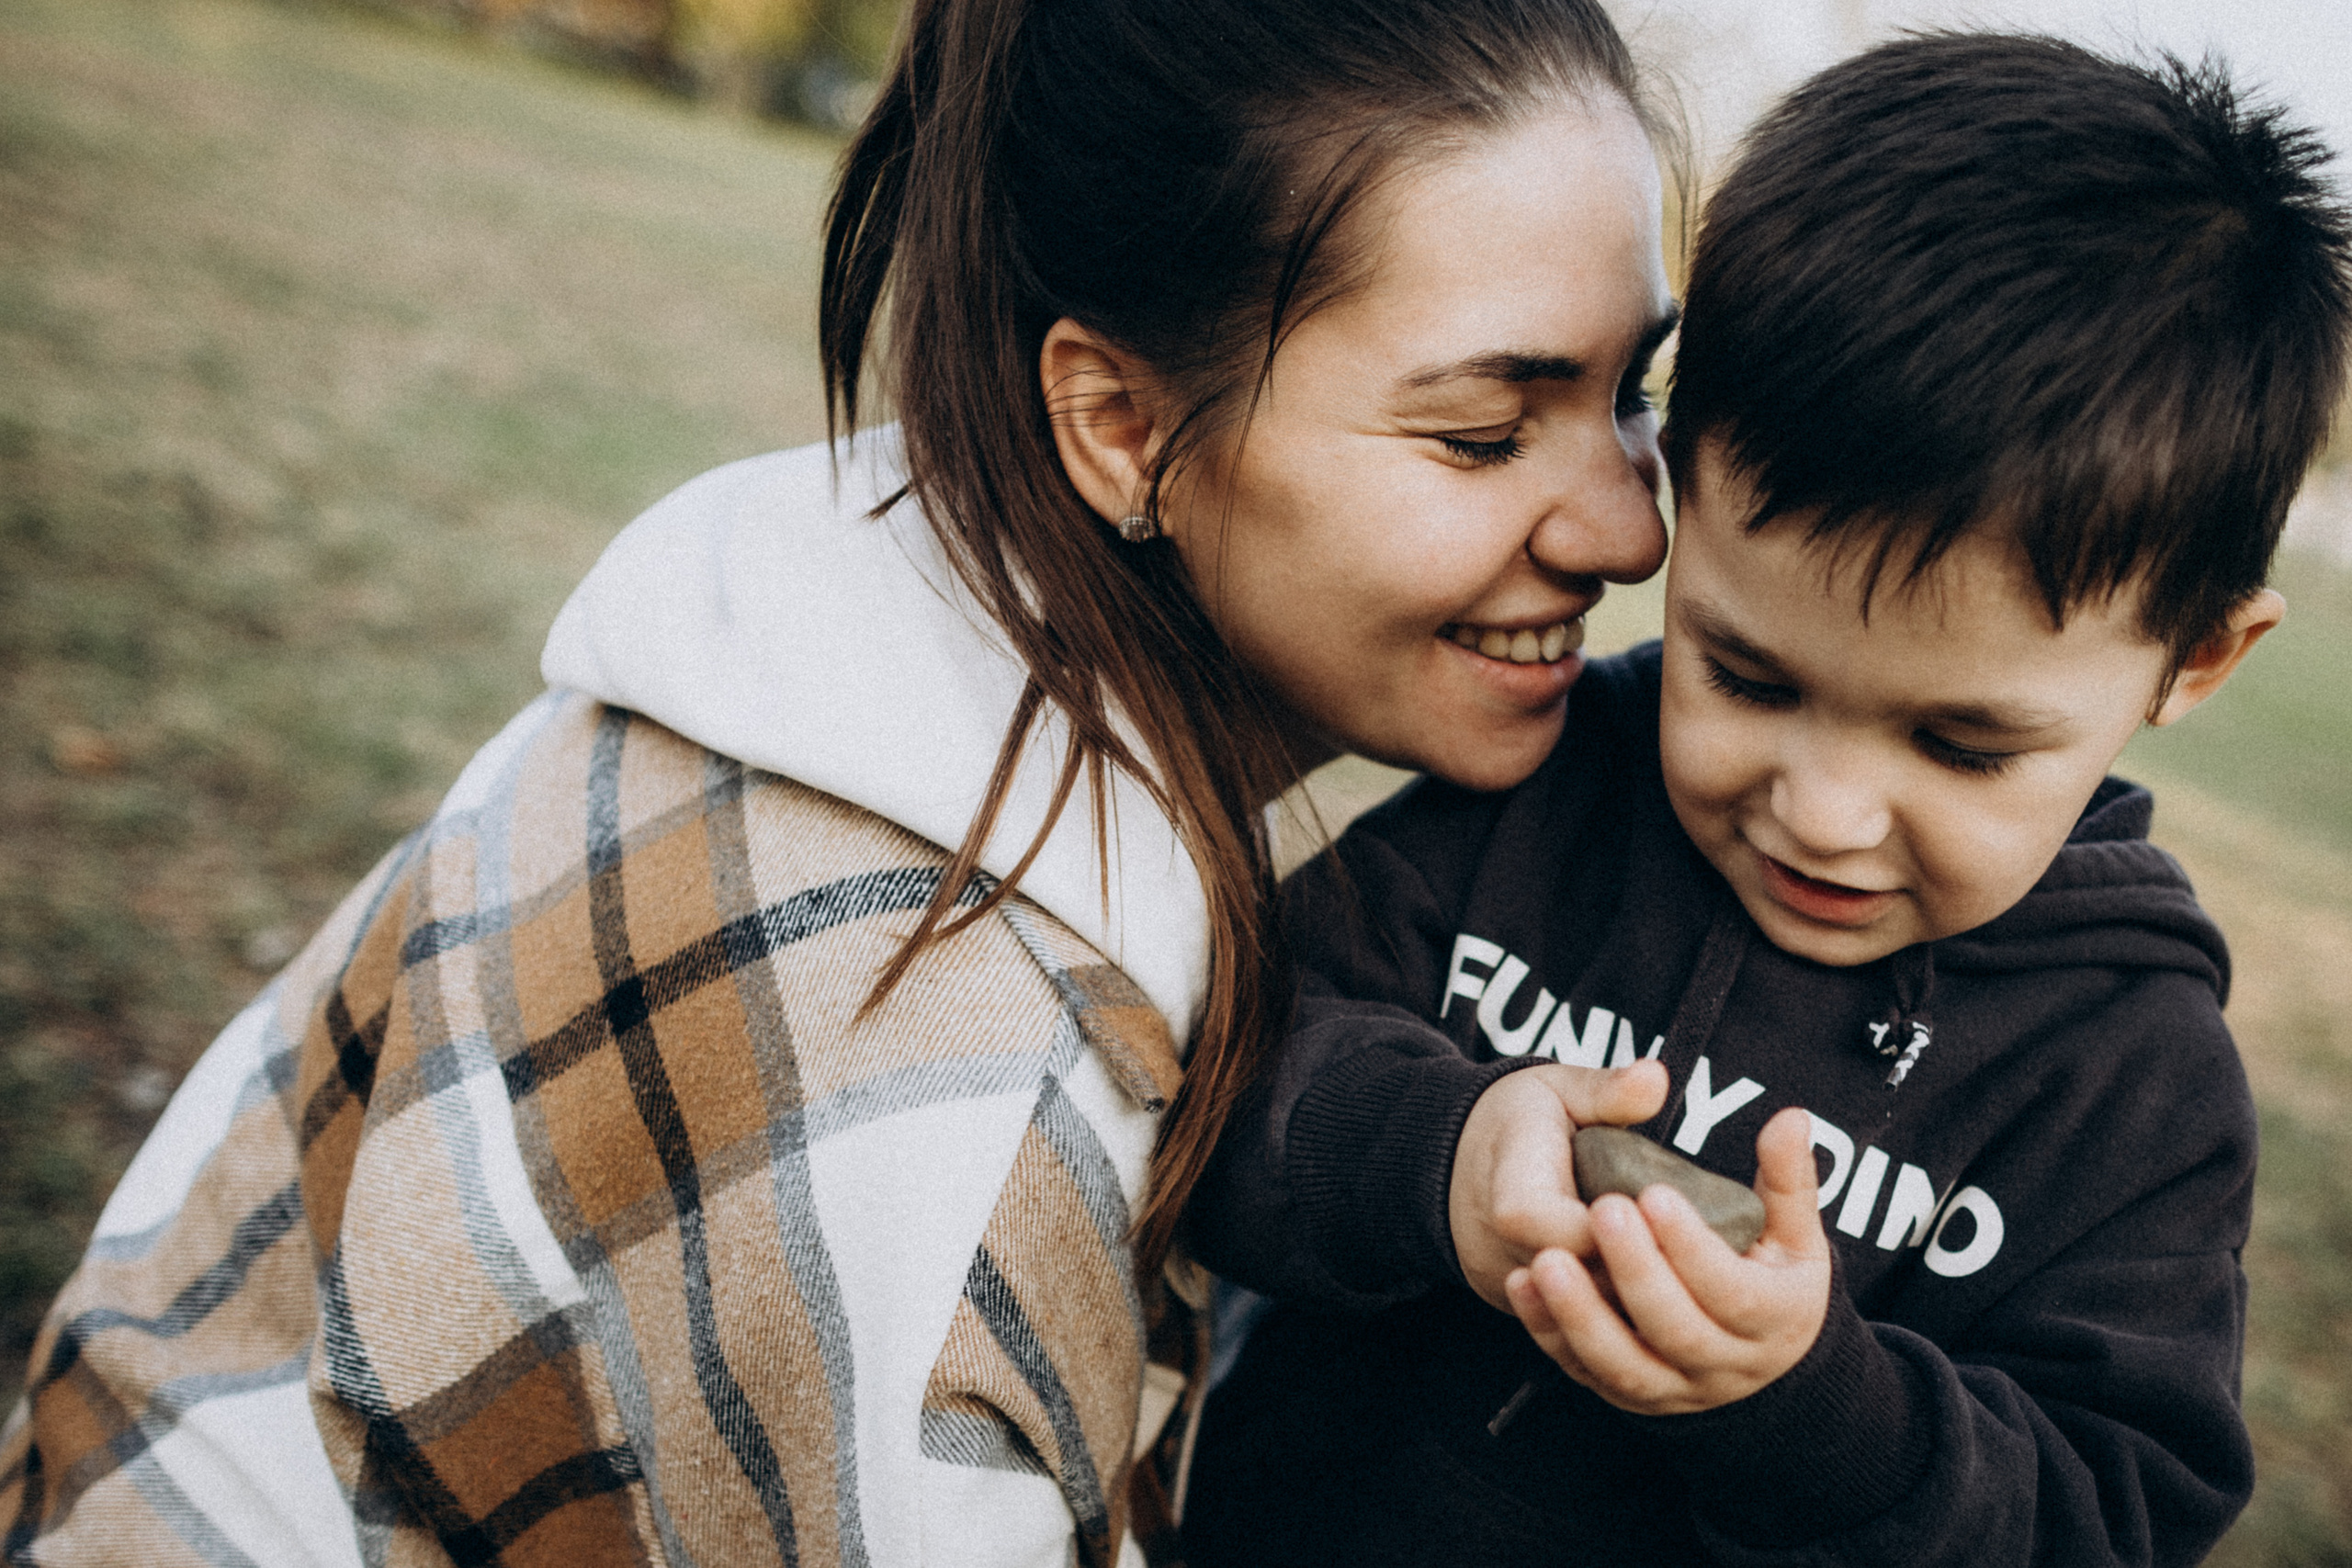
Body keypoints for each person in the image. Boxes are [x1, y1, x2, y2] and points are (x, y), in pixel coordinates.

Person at [0, 0, 1685, 1562]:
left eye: (1636, 398)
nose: (1630, 529)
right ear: (1118, 425)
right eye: (1481, 433)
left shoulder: (843, 638)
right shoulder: (942, 1057)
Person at [1182, 33, 2352, 1568]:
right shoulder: (1544, 802)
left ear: (2194, 658)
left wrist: (1810, 1407)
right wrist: (1441, 1158)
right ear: (1678, 483)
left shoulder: (2124, 1084)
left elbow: (2108, 1512)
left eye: (1961, 747)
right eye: (1747, 676)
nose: (1827, 814)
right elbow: (1223, 1072)